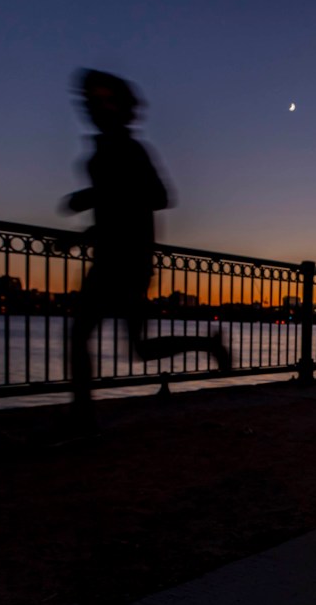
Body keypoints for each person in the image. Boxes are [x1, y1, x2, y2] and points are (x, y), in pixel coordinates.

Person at [64, 69, 230, 434]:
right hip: (114, 256)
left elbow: (158, 196)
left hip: (127, 261)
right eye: (91, 99)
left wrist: (90, 196)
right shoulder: (105, 147)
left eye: (105, 99)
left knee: (84, 336)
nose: (95, 106)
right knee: (134, 347)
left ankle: (82, 422)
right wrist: (82, 235)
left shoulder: (130, 148)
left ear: (122, 108)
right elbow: (117, 215)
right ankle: (207, 343)